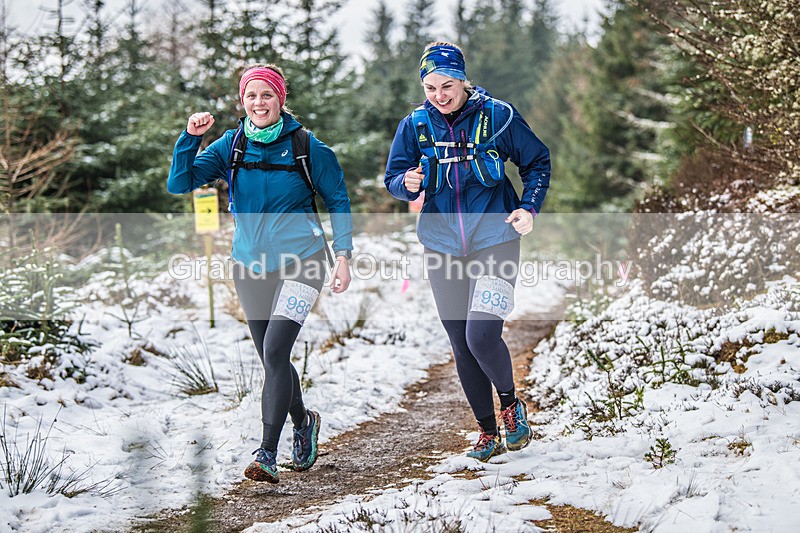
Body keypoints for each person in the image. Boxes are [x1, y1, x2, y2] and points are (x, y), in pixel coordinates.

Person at [167, 64, 354, 482]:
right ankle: (304, 422)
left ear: (280, 99)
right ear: (243, 100)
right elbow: (180, 183)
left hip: (304, 261)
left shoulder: (307, 146)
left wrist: (343, 254)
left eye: (267, 94)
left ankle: (267, 451)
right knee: (273, 358)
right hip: (249, 265)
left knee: (274, 351)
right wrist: (190, 139)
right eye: (251, 95)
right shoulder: (231, 145)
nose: (258, 102)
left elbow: (338, 200)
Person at [384, 43, 550, 462]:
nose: (439, 96)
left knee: (480, 334)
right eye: (431, 88)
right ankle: (487, 431)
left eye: (447, 85)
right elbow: (393, 177)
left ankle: (510, 405)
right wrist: (406, 183)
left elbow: (537, 162)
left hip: (496, 238)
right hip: (441, 244)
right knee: (460, 342)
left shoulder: (498, 116)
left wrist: (528, 207)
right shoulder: (415, 125)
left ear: (463, 80)